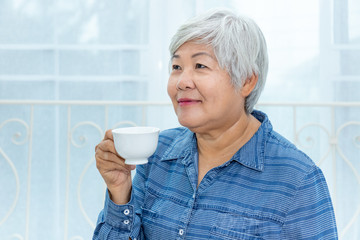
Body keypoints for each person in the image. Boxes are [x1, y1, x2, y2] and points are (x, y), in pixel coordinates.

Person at [93, 9, 338, 240]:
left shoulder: (297, 179)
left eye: (200, 66)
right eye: (177, 67)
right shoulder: (156, 154)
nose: (182, 82)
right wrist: (119, 191)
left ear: (246, 81)